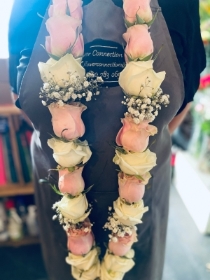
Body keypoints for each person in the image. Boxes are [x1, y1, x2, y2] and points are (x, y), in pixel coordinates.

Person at [8, 0, 206, 280]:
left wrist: (140, 143)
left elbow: (185, 94)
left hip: (142, 194)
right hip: (60, 192)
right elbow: (20, 92)